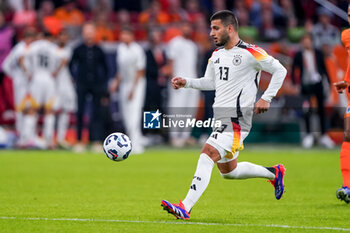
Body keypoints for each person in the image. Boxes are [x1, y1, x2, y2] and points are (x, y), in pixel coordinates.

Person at [161, 10, 287, 220]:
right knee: (229, 172)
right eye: (211, 28)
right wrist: (187, 82)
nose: (211, 33)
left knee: (208, 152)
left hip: (237, 118)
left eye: (216, 28)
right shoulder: (216, 55)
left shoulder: (250, 52)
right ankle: (274, 173)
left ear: (230, 28)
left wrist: (267, 97)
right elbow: (211, 82)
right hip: (220, 117)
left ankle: (185, 206)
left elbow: (280, 70)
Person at [69, 22, 108, 153]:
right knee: (80, 112)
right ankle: (80, 141)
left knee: (97, 113)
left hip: (96, 85)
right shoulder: (78, 49)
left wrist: (103, 84)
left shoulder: (99, 50)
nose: (89, 34)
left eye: (91, 31)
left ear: (95, 33)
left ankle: (96, 141)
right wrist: (74, 79)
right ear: (83, 33)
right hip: (82, 84)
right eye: (87, 31)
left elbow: (106, 68)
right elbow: (71, 65)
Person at [291, 33, 335, 149]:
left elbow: (324, 70)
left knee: (321, 111)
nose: (306, 42)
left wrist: (329, 85)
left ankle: (324, 136)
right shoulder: (299, 55)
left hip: (318, 85)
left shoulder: (318, 53)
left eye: (308, 40)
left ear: (311, 41)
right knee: (306, 110)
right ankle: (308, 136)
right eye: (304, 40)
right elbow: (293, 70)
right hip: (305, 86)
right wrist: (295, 84)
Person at [109, 26, 146, 154]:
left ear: (132, 36)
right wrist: (116, 82)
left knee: (134, 114)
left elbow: (140, 71)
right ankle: (131, 141)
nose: (123, 37)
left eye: (126, 34)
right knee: (125, 115)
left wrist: (133, 89)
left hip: (137, 84)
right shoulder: (121, 49)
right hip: (124, 84)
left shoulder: (137, 50)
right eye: (122, 34)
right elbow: (120, 71)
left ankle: (136, 144)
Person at [166, 21, 199, 148]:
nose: (187, 28)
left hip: (192, 82)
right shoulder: (175, 43)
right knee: (176, 108)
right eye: (185, 26)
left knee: (190, 110)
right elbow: (170, 63)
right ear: (181, 27)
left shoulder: (192, 45)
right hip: (178, 81)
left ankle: (185, 136)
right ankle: (174, 136)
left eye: (189, 26)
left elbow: (194, 66)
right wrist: (173, 81)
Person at [2, 28, 35, 143]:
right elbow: (5, 66)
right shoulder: (19, 49)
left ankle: (29, 135)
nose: (30, 40)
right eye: (29, 38)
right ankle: (21, 135)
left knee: (31, 108)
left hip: (32, 83)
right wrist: (16, 76)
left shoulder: (32, 48)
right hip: (21, 83)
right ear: (24, 38)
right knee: (20, 109)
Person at [334, 4, 350, 204]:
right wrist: (346, 80)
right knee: (347, 135)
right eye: (348, 12)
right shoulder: (346, 35)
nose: (349, 15)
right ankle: (347, 186)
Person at [53, 29, 76, 148]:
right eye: (61, 36)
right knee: (52, 111)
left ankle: (61, 138)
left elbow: (67, 63)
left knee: (65, 110)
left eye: (65, 36)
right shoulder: (51, 50)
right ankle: (50, 138)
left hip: (65, 83)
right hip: (53, 84)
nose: (63, 38)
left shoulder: (69, 50)